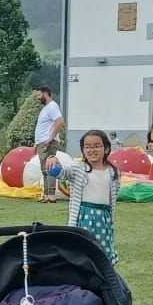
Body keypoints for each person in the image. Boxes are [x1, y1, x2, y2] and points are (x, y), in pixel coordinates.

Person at [55, 129, 121, 260]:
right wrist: (52, 160)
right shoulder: (78, 169)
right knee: (82, 251)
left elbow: (113, 196)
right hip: (83, 217)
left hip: (103, 218)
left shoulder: (113, 172)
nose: (92, 150)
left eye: (97, 146)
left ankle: (103, 278)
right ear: (83, 150)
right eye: (88, 147)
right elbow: (60, 173)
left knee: (102, 253)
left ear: (106, 148)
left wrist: (110, 218)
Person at [32, 88, 65, 202]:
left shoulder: (52, 106)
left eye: (39, 95)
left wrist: (50, 138)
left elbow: (60, 121)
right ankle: (46, 195)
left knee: (50, 167)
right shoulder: (46, 108)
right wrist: (37, 143)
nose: (38, 98)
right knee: (44, 169)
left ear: (46, 94)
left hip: (48, 143)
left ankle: (51, 195)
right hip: (42, 142)